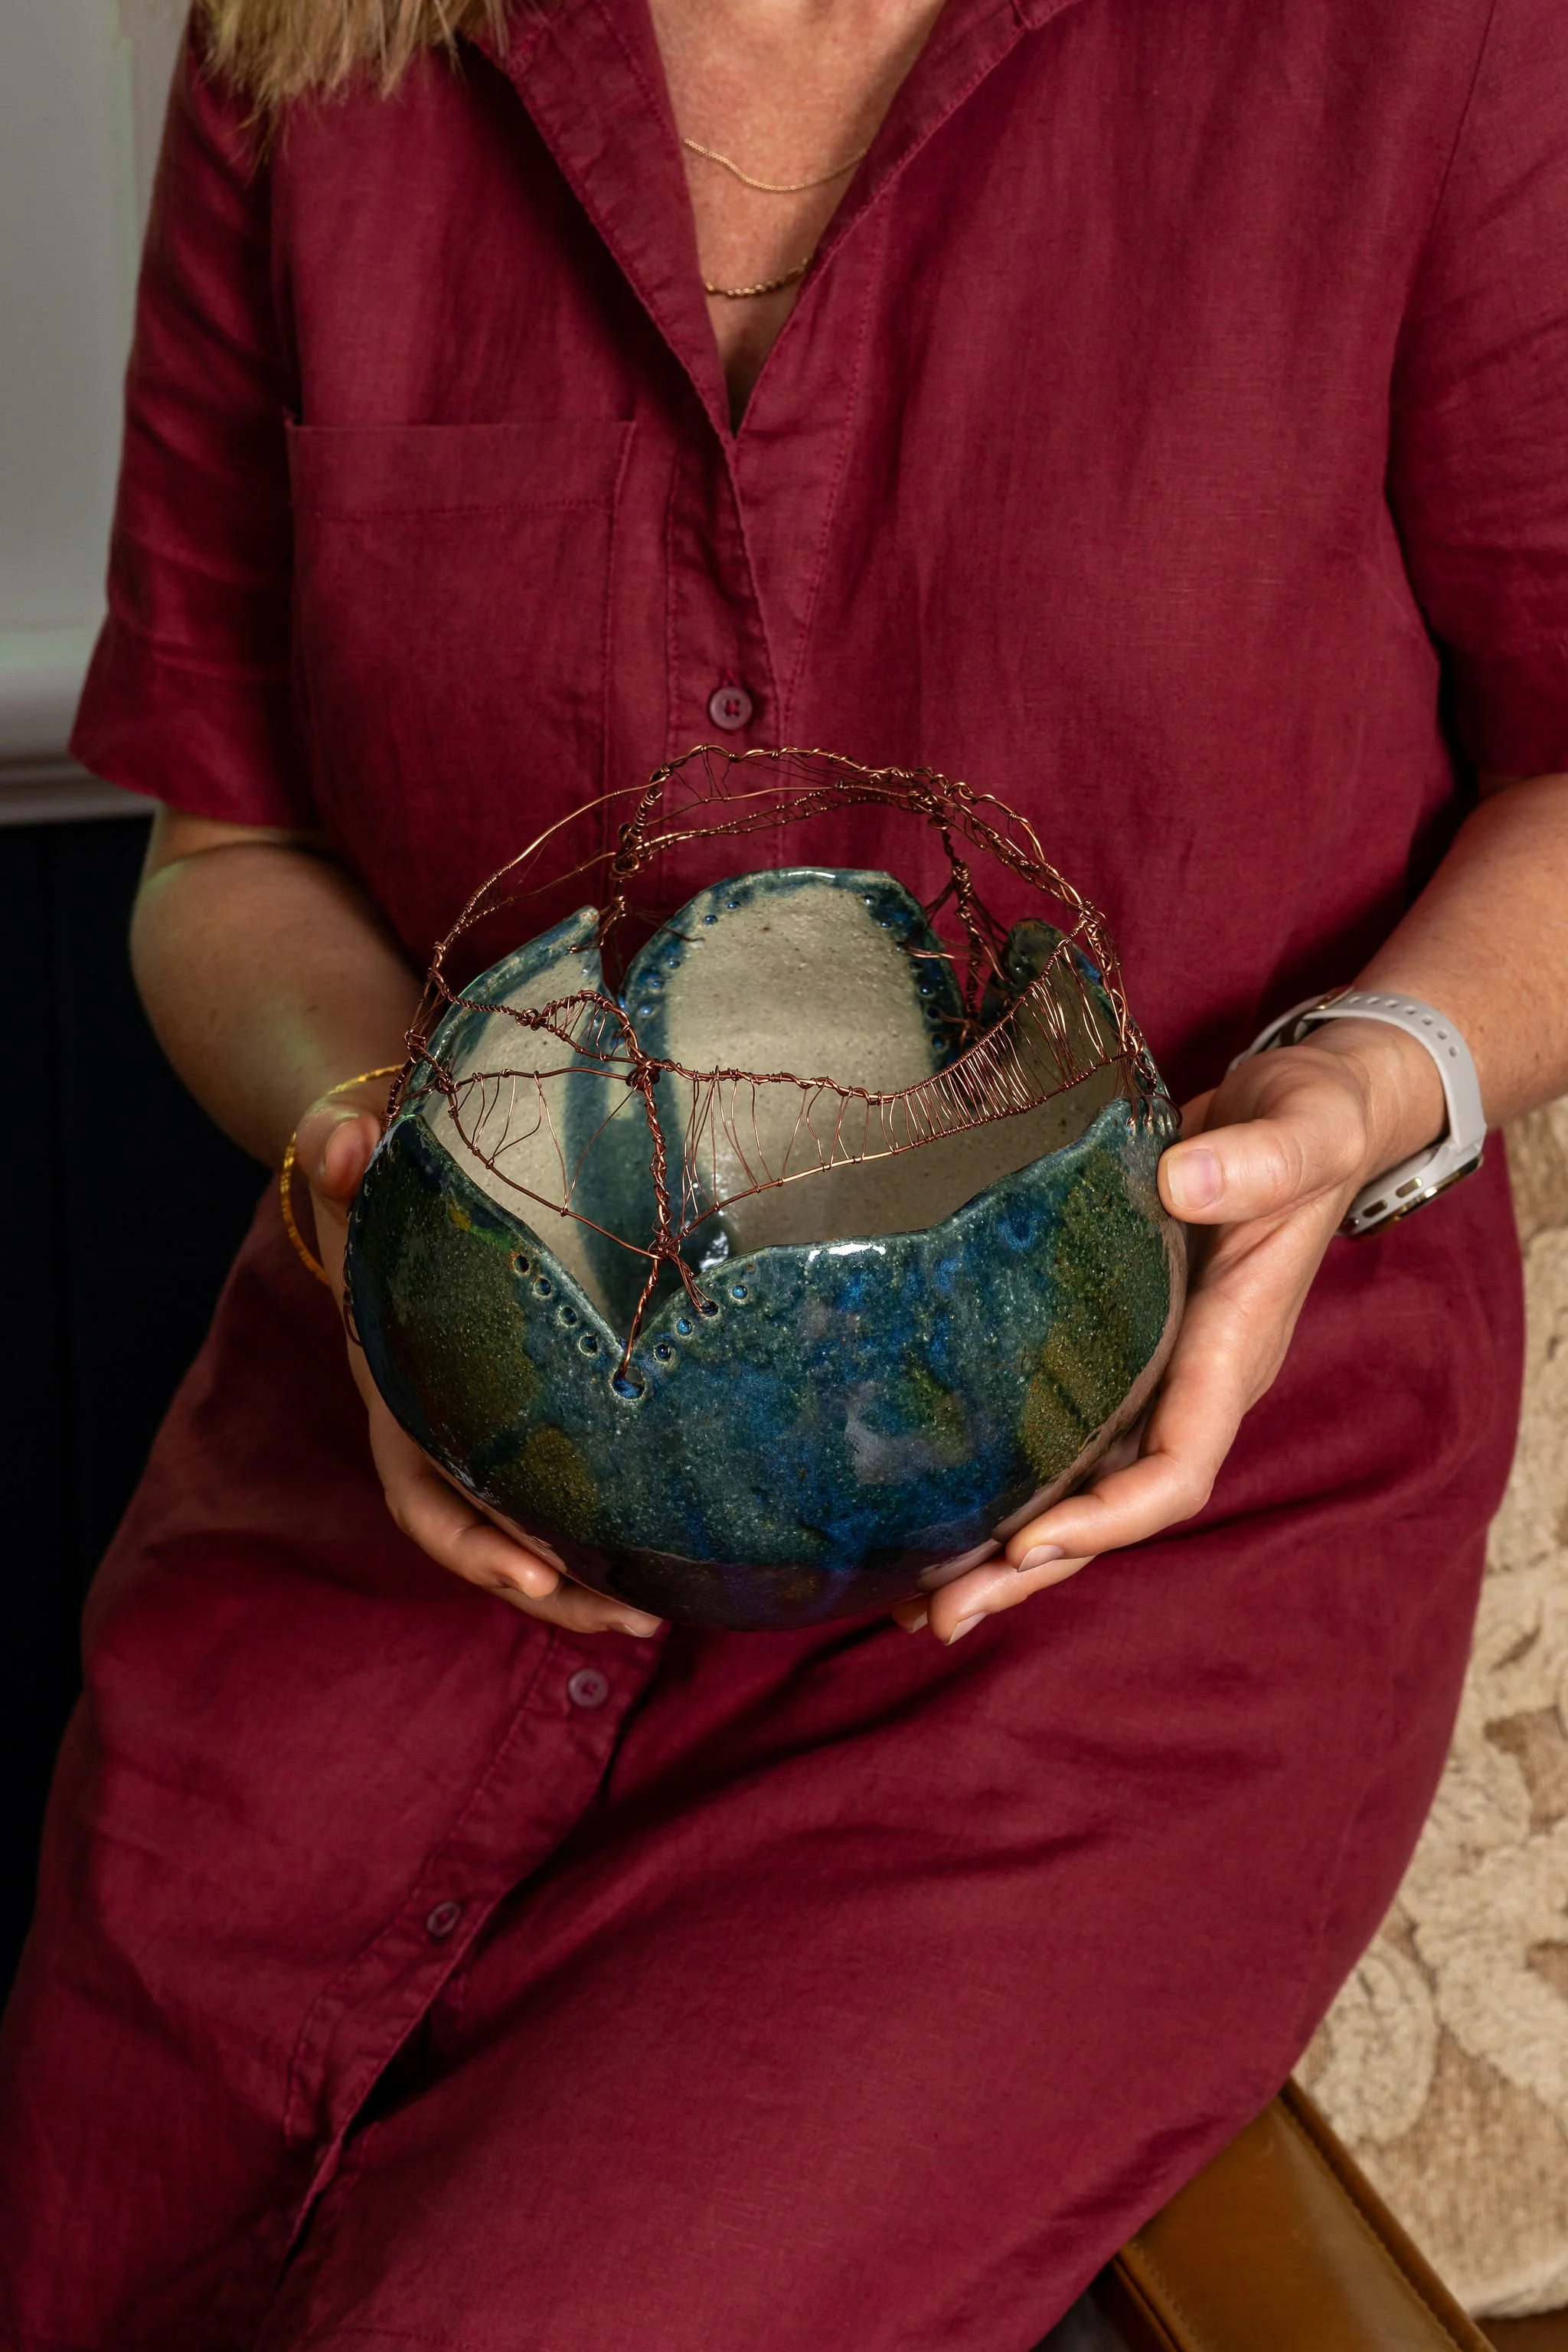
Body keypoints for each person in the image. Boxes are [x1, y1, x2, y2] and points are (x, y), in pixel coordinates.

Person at [4, 0, 1568, 2342]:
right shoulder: (305, 51)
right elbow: (226, 852)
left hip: (1106, 1565)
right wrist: (387, 1168)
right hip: (403, 1510)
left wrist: (1356, 1099)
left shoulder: (1433, 44)